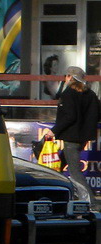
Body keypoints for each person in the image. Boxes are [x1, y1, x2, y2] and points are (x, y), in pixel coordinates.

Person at [52, 65, 100, 201]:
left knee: (74, 171)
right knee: (59, 164)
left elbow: (70, 116)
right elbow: (97, 114)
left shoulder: (68, 94)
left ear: (69, 77)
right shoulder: (90, 94)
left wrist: (53, 130)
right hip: (83, 137)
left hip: (70, 137)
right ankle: (58, 193)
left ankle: (91, 201)